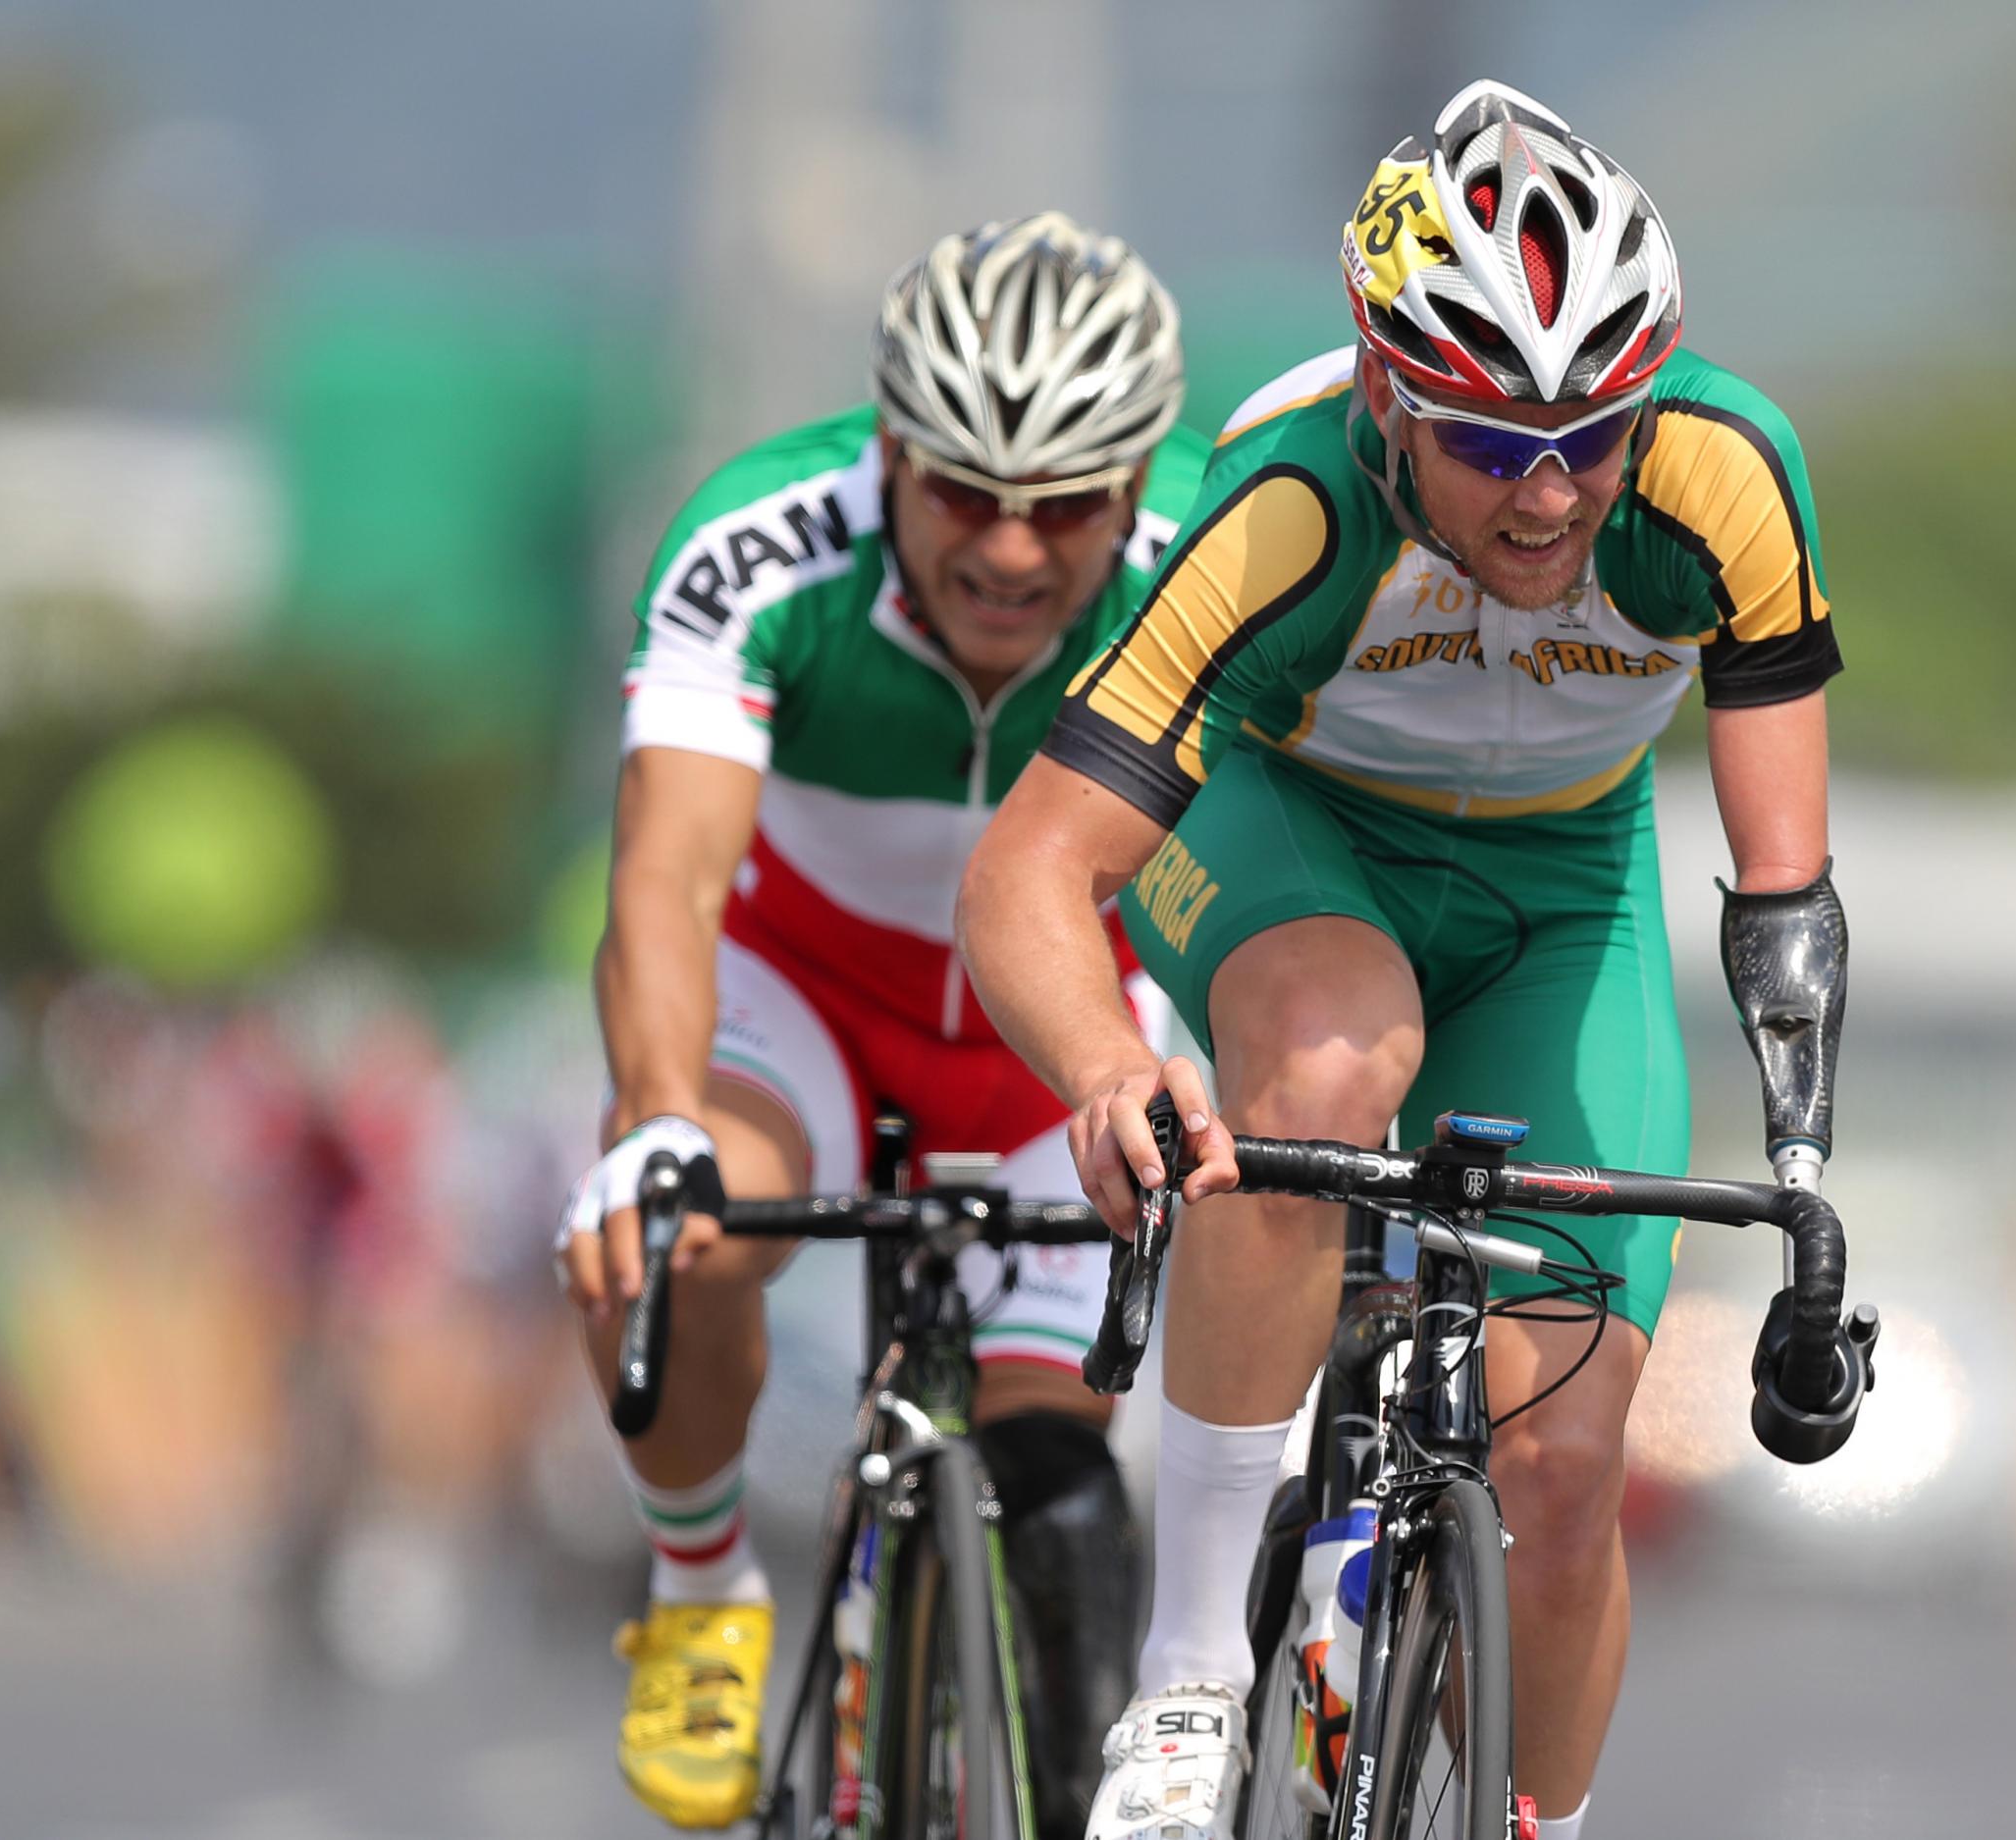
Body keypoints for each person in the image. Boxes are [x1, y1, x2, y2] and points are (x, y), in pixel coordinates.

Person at [957, 81, 1845, 1840]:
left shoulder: (1724, 478)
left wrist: (1805, 1169)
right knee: (1330, 1059)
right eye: (1492, 446)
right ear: (1387, 394)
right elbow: (1028, 872)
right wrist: (1111, 1069)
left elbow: (1781, 884)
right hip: (1297, 835)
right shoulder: (1286, 504)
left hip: (1561, 893)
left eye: (1594, 437)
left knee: (1570, 1463)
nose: (1551, 495)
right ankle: (1195, 1674)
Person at [556, 212, 1210, 1832]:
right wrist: (649, 1127)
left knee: (1058, 1500)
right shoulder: (762, 540)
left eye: (1063, 504)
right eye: (963, 492)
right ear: (889, 450)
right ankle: (702, 1579)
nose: (1007, 548)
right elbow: (667, 879)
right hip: (805, 999)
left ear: (1135, 483)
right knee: (676, 1232)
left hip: (1059, 1031)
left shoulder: (1216, 554)